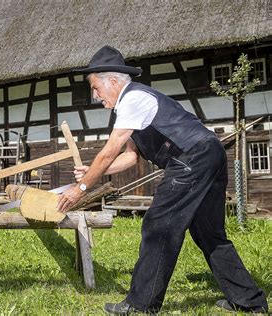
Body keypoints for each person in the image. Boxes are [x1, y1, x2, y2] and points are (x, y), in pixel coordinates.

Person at [57, 46, 268, 314]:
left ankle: (140, 305)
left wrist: (82, 187)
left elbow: (109, 150)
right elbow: (129, 157)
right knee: (209, 233)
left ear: (113, 81)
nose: (95, 95)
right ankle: (249, 301)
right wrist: (91, 171)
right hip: (208, 154)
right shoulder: (131, 105)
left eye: (96, 87)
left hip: (192, 158)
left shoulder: (132, 100)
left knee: (158, 226)